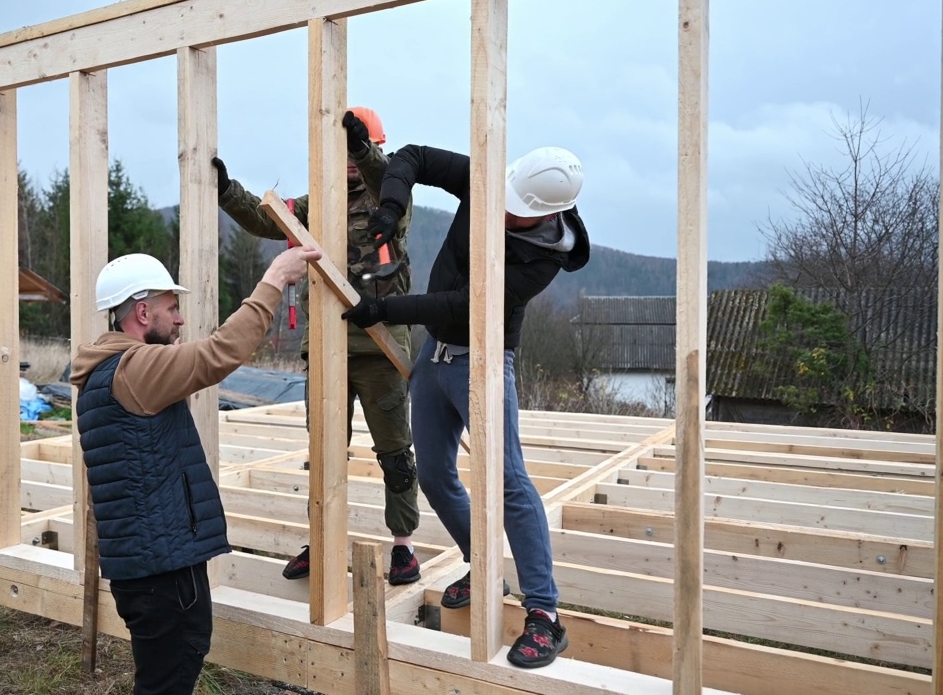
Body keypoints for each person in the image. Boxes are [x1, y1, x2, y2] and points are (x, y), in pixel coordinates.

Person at [341, 144, 589, 669]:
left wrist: (384, 310)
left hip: (483, 358)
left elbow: (464, 304)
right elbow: (414, 158)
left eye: (512, 207)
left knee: (508, 482)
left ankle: (545, 615)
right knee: (432, 473)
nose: (498, 206)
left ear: (543, 214)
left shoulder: (543, 259)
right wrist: (391, 204)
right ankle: (483, 563)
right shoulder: (491, 181)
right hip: (436, 354)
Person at [71, 245, 320, 694]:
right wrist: (275, 279)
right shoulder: (136, 369)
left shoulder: (106, 371)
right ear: (143, 313)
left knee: (161, 674)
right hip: (164, 572)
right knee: (170, 675)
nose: (180, 319)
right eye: (172, 308)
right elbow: (222, 353)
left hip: (142, 569)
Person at [210, 108, 422, 586]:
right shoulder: (319, 204)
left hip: (381, 346)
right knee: (324, 452)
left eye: (358, 150)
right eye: (342, 151)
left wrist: (362, 148)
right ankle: (320, 537)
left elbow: (377, 173)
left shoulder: (392, 195)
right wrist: (227, 192)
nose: (349, 161)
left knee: (395, 452)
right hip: (326, 346)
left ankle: (403, 546)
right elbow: (269, 221)